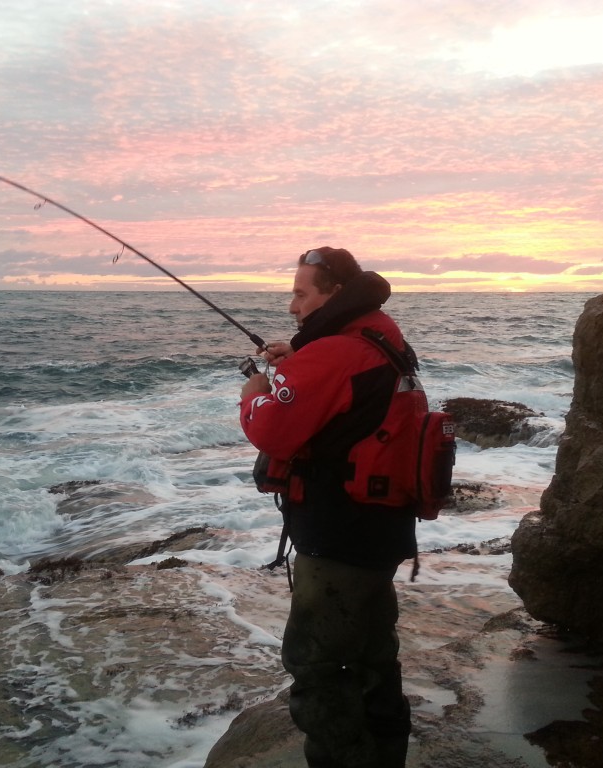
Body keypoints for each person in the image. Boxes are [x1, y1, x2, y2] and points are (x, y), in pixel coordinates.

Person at [239, 247, 418, 768]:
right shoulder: (380, 334)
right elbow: (348, 398)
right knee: (373, 659)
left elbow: (272, 429)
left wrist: (253, 393)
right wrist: (299, 366)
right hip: (380, 530)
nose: (292, 306)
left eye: (301, 293)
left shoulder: (336, 352)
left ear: (333, 294)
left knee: (318, 669)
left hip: (339, 539)